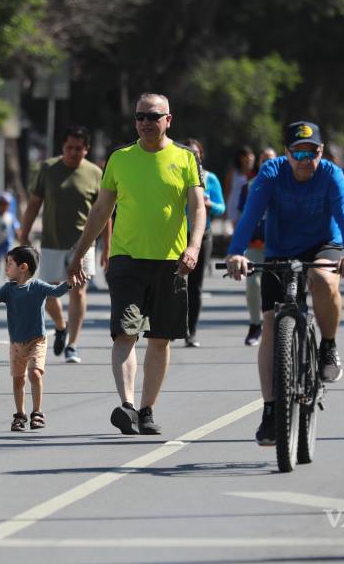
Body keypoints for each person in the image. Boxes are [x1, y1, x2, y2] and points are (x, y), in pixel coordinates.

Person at [66, 93, 205, 436]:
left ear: (168, 120)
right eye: (140, 116)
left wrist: (194, 246)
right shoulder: (120, 159)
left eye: (153, 116)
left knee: (160, 339)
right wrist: (80, 251)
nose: (145, 122)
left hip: (172, 262)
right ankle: (127, 406)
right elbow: (101, 210)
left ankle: (146, 410)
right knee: (125, 332)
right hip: (127, 259)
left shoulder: (185, 158)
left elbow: (198, 208)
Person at [223, 121, 344, 447]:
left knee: (325, 280)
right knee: (270, 325)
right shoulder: (270, 173)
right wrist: (235, 253)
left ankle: (327, 347)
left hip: (323, 244)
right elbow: (250, 215)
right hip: (280, 250)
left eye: (311, 152)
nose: (305, 159)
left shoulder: (331, 174)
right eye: (297, 152)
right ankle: (271, 411)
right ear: (286, 153)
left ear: (321, 152)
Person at [18, 126, 110, 365]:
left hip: (84, 242)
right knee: (48, 293)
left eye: (78, 149)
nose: (73, 152)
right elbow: (34, 203)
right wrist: (24, 234)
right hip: (52, 241)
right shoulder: (48, 168)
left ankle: (73, 344)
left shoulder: (95, 173)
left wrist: (107, 247)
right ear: (63, 147)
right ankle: (60, 326)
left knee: (78, 290)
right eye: (69, 147)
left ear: (86, 149)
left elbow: (104, 213)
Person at [0, 245, 71, 431]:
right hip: (16, 344)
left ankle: (37, 413)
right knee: (18, 380)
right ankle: (19, 415)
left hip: (36, 340)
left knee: (35, 373)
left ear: (23, 267)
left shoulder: (37, 286)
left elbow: (56, 292)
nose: (6, 268)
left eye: (9, 264)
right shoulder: (8, 289)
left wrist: (69, 282)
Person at [182, 139, 225, 347]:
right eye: (189, 153)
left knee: (195, 286)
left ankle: (191, 331)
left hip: (202, 235)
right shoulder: (176, 174)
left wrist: (209, 204)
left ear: (201, 155)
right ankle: (174, 325)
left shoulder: (210, 178)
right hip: (177, 235)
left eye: (196, 153)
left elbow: (221, 208)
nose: (193, 156)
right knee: (173, 283)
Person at [236, 147, 277, 346]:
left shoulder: (285, 185)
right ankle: (255, 325)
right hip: (255, 246)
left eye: (271, 159)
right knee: (253, 283)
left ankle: (284, 325)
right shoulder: (249, 186)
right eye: (264, 159)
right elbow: (242, 218)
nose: (267, 163)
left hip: (279, 247)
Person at [224, 146, 256, 233]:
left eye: (251, 157)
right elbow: (227, 191)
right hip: (234, 207)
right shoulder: (232, 173)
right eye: (246, 157)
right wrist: (225, 210)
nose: (249, 160)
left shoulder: (257, 174)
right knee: (235, 233)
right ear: (241, 158)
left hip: (249, 207)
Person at [0, 191, 19, 276]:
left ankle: (7, 269)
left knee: (7, 256)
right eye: (2, 204)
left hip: (7, 240)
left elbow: (16, 227)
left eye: (6, 204)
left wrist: (19, 235)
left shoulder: (11, 216)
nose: (4, 206)